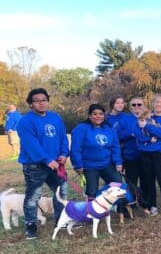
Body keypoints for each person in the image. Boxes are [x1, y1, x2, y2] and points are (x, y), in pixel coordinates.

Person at [17, 88, 69, 240]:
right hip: (35, 165)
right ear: (31, 104)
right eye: (37, 101)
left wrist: (64, 154)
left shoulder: (55, 117)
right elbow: (30, 144)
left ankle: (61, 220)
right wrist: (47, 160)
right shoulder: (25, 121)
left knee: (61, 192)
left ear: (48, 101)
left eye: (44, 100)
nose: (41, 103)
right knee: (33, 196)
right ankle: (31, 225)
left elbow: (63, 137)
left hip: (56, 164)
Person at [70, 104, 123, 200]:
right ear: (89, 116)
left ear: (104, 115)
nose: (98, 116)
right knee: (92, 191)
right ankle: (91, 212)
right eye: (94, 114)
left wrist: (118, 161)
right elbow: (75, 149)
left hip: (107, 164)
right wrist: (78, 165)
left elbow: (115, 147)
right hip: (89, 166)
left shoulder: (109, 128)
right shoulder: (81, 128)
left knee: (117, 184)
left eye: (101, 114)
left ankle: (111, 205)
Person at [135, 94, 161, 215]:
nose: (159, 104)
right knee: (149, 180)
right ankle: (153, 206)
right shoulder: (145, 116)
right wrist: (147, 139)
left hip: (159, 152)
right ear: (153, 103)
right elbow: (136, 131)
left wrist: (147, 126)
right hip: (145, 152)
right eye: (157, 102)